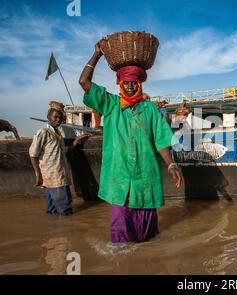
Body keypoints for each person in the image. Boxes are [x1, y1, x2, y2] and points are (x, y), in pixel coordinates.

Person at [79, 42, 183, 244]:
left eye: (133, 82)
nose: (129, 85)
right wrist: (97, 54)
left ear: (140, 84)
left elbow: (160, 140)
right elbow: (84, 81)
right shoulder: (110, 105)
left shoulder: (151, 110)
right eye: (125, 82)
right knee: (120, 233)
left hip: (145, 177)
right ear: (119, 83)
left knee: (148, 237)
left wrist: (171, 164)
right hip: (119, 179)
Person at [29, 106, 91, 216]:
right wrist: (38, 174)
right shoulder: (43, 132)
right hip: (53, 177)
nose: (58, 119)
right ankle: (66, 231)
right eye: (55, 117)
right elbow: (33, 154)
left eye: (60, 118)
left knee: (52, 210)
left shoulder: (57, 134)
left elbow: (64, 152)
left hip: (58, 176)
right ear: (48, 117)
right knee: (65, 208)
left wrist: (77, 141)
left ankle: (55, 230)